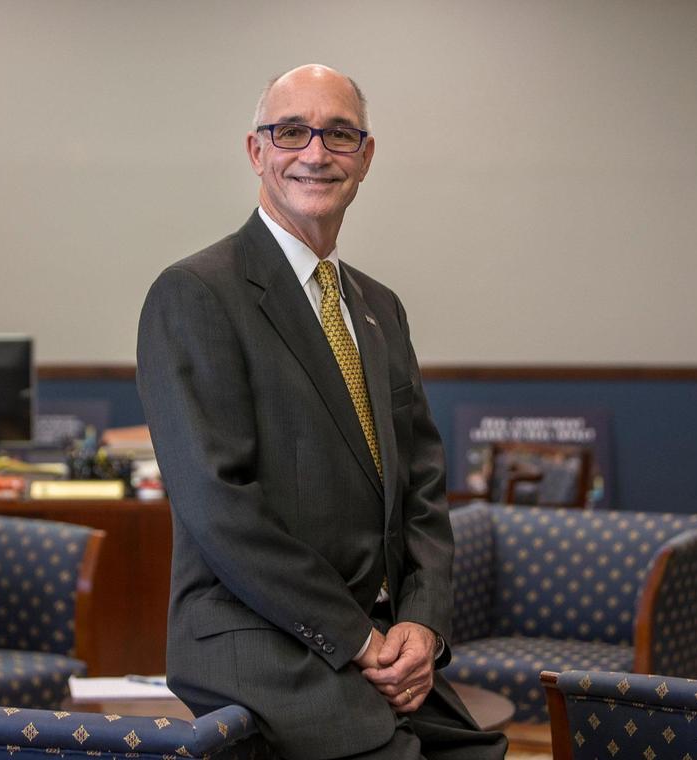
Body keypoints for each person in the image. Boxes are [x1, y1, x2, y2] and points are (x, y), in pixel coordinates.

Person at [136, 64, 507, 760]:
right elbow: (220, 508)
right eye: (292, 132)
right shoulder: (195, 294)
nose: (315, 153)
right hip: (261, 642)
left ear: (365, 157)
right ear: (257, 151)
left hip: (381, 651)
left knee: (476, 753)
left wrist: (421, 627)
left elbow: (423, 492)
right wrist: (359, 638)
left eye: (338, 134)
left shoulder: (378, 308)